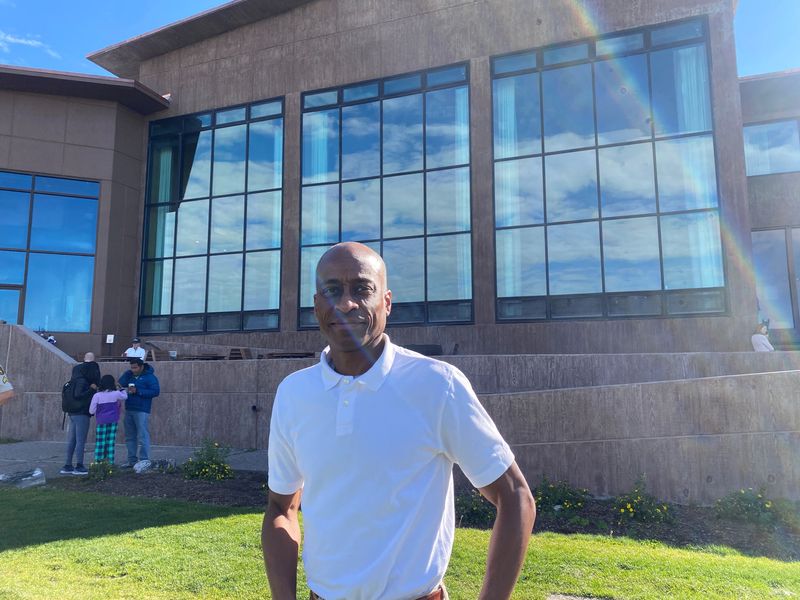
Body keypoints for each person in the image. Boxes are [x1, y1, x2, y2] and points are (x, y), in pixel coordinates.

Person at [263, 242, 535, 600]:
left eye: (362, 289)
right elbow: (281, 508)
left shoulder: (438, 386)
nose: (346, 303)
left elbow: (515, 497)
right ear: (317, 307)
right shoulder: (294, 393)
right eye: (332, 291)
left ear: (387, 303)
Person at [60, 352, 101, 475]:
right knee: (80, 440)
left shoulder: (73, 379)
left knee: (72, 440)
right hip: (81, 412)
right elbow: (79, 395)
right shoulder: (83, 381)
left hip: (71, 412)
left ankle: (67, 465)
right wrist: (91, 389)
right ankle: (79, 465)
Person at [118, 357, 160, 467]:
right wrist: (127, 373)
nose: (133, 370)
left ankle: (144, 460)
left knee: (142, 435)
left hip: (142, 410)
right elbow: (120, 383)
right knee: (130, 436)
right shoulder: (130, 374)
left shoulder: (150, 377)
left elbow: (156, 392)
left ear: (141, 367)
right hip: (129, 408)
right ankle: (132, 460)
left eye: (135, 368)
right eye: (131, 367)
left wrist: (138, 391)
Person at [89, 374, 126, 464]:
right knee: (110, 443)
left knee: (100, 443)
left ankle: (98, 464)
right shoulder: (116, 393)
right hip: (113, 420)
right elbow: (125, 396)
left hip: (101, 421)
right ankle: (110, 463)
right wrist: (121, 388)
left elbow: (91, 411)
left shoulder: (97, 395)